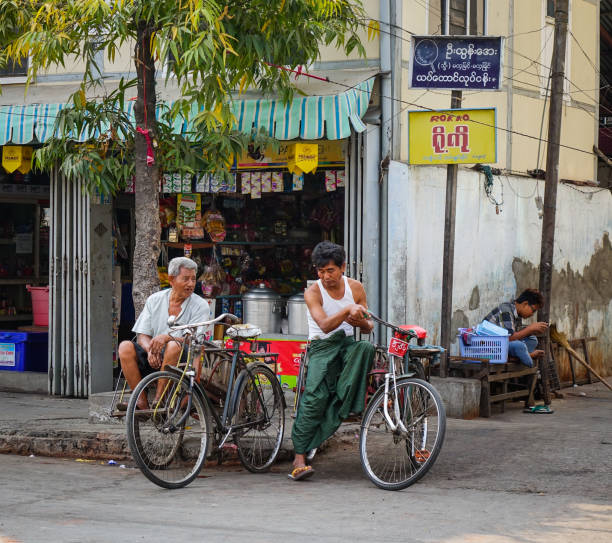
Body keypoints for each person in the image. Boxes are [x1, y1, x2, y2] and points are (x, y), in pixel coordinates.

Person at [289, 241, 375, 481]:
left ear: (343, 267)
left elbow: (368, 327)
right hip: (321, 347)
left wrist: (361, 321)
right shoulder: (313, 292)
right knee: (315, 397)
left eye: (330, 270)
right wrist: (348, 310)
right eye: (320, 271)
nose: (325, 276)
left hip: (345, 345)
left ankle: (346, 400)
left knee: (366, 348)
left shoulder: (355, 288)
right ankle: (298, 457)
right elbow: (325, 325)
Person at [117, 257, 210, 410]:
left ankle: (160, 400)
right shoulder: (155, 300)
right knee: (125, 346)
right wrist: (150, 351)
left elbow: (196, 341)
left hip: (182, 361)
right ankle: (141, 401)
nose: (191, 284)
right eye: (186, 279)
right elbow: (142, 335)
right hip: (155, 358)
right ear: (171, 279)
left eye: (193, 279)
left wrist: (168, 338)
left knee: (173, 345)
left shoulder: (200, 305)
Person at [483, 288, 548, 367]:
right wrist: (529, 329)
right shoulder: (505, 311)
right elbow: (508, 338)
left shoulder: (517, 315)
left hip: (502, 345)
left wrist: (531, 332)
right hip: (488, 346)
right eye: (533, 310)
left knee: (533, 339)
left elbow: (515, 335)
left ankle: (516, 357)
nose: (532, 314)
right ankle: (527, 356)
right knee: (519, 345)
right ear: (525, 304)